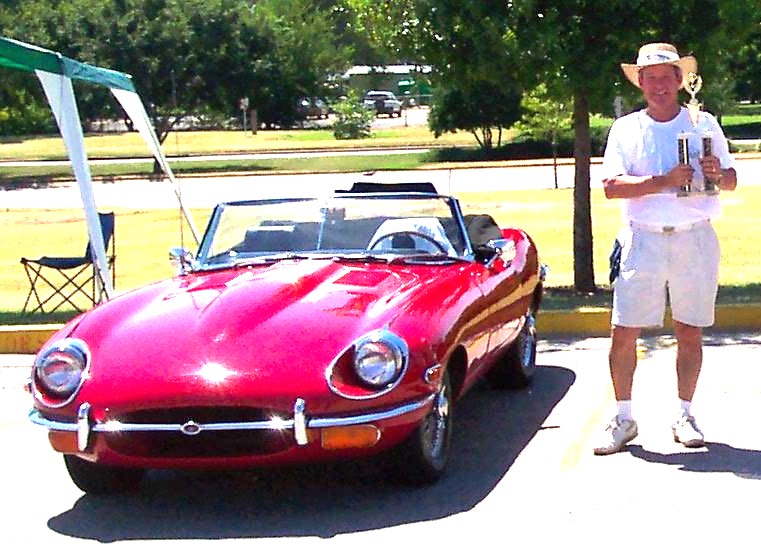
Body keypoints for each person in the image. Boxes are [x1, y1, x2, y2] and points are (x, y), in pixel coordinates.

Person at [594, 42, 737, 456]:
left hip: (695, 236)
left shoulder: (704, 123)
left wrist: (717, 173)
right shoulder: (626, 129)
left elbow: (730, 180)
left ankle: (685, 413)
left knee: (690, 330)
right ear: (640, 83)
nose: (659, 85)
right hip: (642, 239)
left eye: (666, 77)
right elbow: (610, 187)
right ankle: (623, 418)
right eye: (650, 78)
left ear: (680, 81)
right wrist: (663, 180)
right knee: (624, 331)